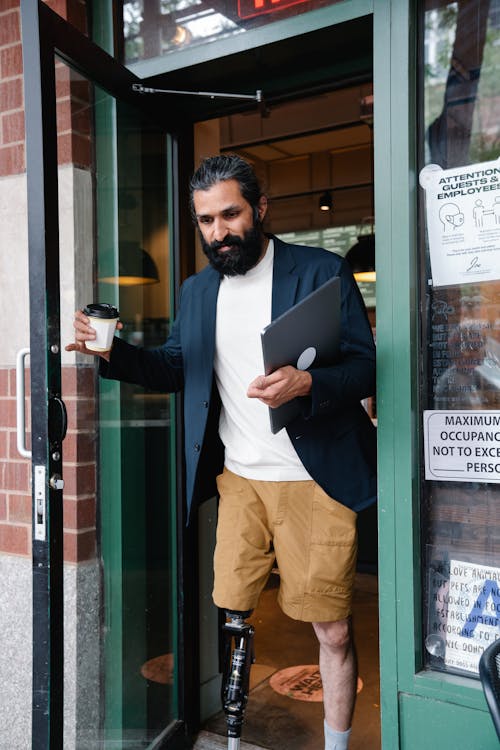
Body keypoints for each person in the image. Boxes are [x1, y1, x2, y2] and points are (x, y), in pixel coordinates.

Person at [67, 154, 377, 750]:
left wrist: (308, 383)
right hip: (238, 479)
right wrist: (113, 353)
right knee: (232, 614)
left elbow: (366, 368)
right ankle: (234, 736)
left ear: (259, 209)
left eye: (230, 214)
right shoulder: (197, 289)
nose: (218, 232)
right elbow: (177, 366)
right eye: (205, 220)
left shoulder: (321, 271)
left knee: (330, 630)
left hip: (314, 480)